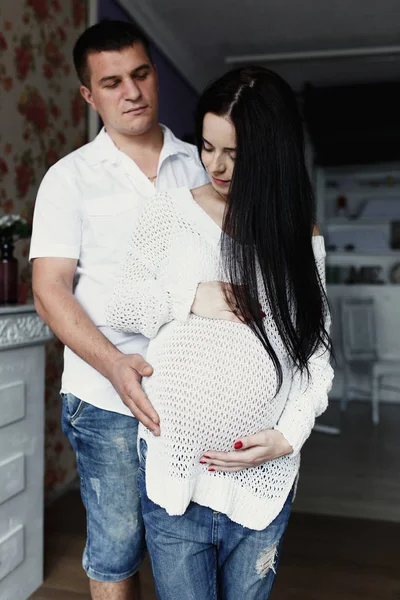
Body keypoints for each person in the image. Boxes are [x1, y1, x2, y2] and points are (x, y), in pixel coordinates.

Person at [106, 65, 334, 599]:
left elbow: (316, 355)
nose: (217, 165)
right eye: (207, 147)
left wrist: (289, 435)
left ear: (271, 152)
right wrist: (190, 296)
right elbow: (121, 303)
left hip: (262, 477)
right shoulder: (170, 212)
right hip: (174, 464)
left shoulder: (299, 238)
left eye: (235, 152)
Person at [29, 19, 210, 600]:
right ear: (89, 95)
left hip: (193, 392)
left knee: (193, 539)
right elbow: (49, 289)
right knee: (116, 547)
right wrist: (115, 365)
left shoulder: (202, 166)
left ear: (154, 75)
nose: (131, 92)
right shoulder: (69, 179)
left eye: (140, 74)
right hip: (105, 397)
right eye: (111, 83)